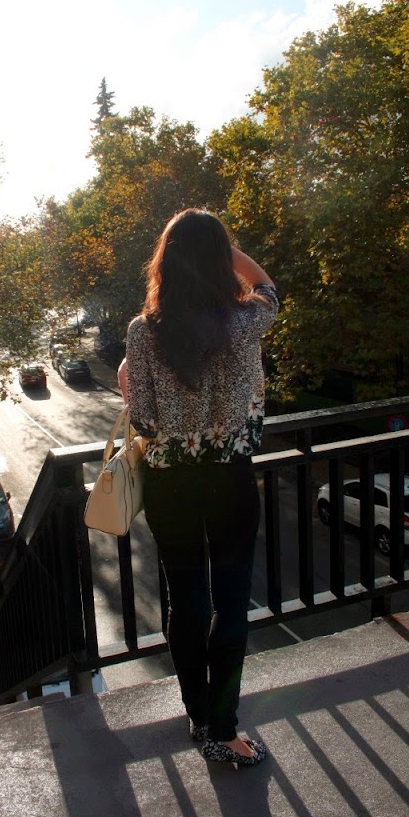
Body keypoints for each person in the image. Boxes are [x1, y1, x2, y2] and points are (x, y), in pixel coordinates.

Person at [118, 208, 278, 766]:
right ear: (218, 262)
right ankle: (225, 728)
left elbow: (144, 419)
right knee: (231, 604)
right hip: (230, 480)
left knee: (187, 601)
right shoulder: (245, 321)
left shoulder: (144, 331)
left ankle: (198, 716)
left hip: (172, 486)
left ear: (164, 262)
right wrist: (224, 248)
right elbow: (267, 287)